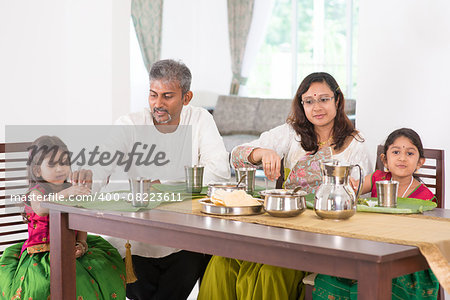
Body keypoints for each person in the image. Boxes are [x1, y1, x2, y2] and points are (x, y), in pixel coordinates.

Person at [198, 72, 372, 300]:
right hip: (278, 228)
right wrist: (262, 152)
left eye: (324, 99)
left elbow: (359, 194)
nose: (316, 107)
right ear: (302, 104)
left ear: (337, 101)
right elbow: (236, 156)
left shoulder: (355, 144)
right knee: (221, 262)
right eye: (309, 101)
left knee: (271, 272)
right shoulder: (291, 134)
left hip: (322, 236)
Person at [74, 59, 231, 300]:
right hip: (136, 242)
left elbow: (219, 171)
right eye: (153, 95)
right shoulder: (131, 123)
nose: (158, 104)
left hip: (185, 239)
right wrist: (86, 182)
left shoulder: (200, 120)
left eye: (167, 96)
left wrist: (166, 187)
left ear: (186, 98)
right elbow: (102, 163)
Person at [313, 128, 439, 300]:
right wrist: (349, 185)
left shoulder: (426, 197)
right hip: (370, 250)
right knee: (330, 278)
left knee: (375, 286)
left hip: (406, 259)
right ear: (385, 159)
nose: (402, 158)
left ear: (419, 162)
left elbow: (425, 236)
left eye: (410, 153)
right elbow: (353, 191)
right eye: (396, 152)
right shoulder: (377, 178)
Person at [0, 135, 126, 300]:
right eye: (53, 164)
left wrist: (82, 243)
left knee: (102, 270)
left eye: (64, 162)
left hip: (71, 249)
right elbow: (41, 209)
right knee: (44, 287)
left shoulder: (71, 190)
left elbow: (80, 221)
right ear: (38, 170)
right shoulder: (37, 192)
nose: (60, 168)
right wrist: (65, 194)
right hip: (42, 255)